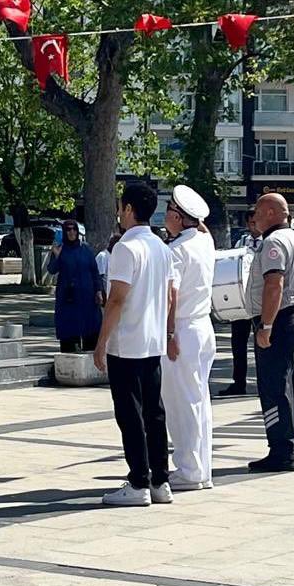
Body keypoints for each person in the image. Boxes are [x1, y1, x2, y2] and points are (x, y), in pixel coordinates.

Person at [94, 182, 174, 506]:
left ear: (128, 209)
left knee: (130, 414)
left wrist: (101, 343)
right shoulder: (161, 247)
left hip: (127, 343)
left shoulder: (126, 248)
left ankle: (139, 480)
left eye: (120, 206)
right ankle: (160, 479)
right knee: (154, 413)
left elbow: (116, 300)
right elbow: (170, 296)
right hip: (152, 342)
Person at [247, 192, 294, 473]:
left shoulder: (274, 242)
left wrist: (266, 325)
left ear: (273, 212)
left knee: (275, 388)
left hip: (281, 320)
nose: (255, 218)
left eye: (259, 212)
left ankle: (281, 451)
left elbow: (274, 284)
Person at [161, 185, 216, 492]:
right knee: (198, 400)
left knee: (182, 402)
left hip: (181, 327)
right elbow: (201, 227)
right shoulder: (204, 241)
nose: (166, 214)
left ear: (180, 218)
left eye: (170, 210)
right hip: (202, 326)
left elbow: (171, 295)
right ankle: (200, 468)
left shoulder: (176, 251)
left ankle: (189, 469)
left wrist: (169, 334)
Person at [48, 218, 105, 352]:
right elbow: (51, 269)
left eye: (74, 229)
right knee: (69, 331)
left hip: (87, 298)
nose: (71, 232)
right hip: (68, 299)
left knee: (90, 329)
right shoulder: (60, 249)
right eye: (68, 229)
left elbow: (94, 271)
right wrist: (57, 255)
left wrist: (98, 291)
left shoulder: (85, 249)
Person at [219, 210, 258, 398]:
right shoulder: (241, 243)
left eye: (256, 222)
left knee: (263, 344)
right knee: (238, 344)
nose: (254, 226)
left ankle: (265, 382)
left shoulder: (270, 241)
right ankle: (239, 382)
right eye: (251, 223)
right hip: (241, 301)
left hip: (260, 301)